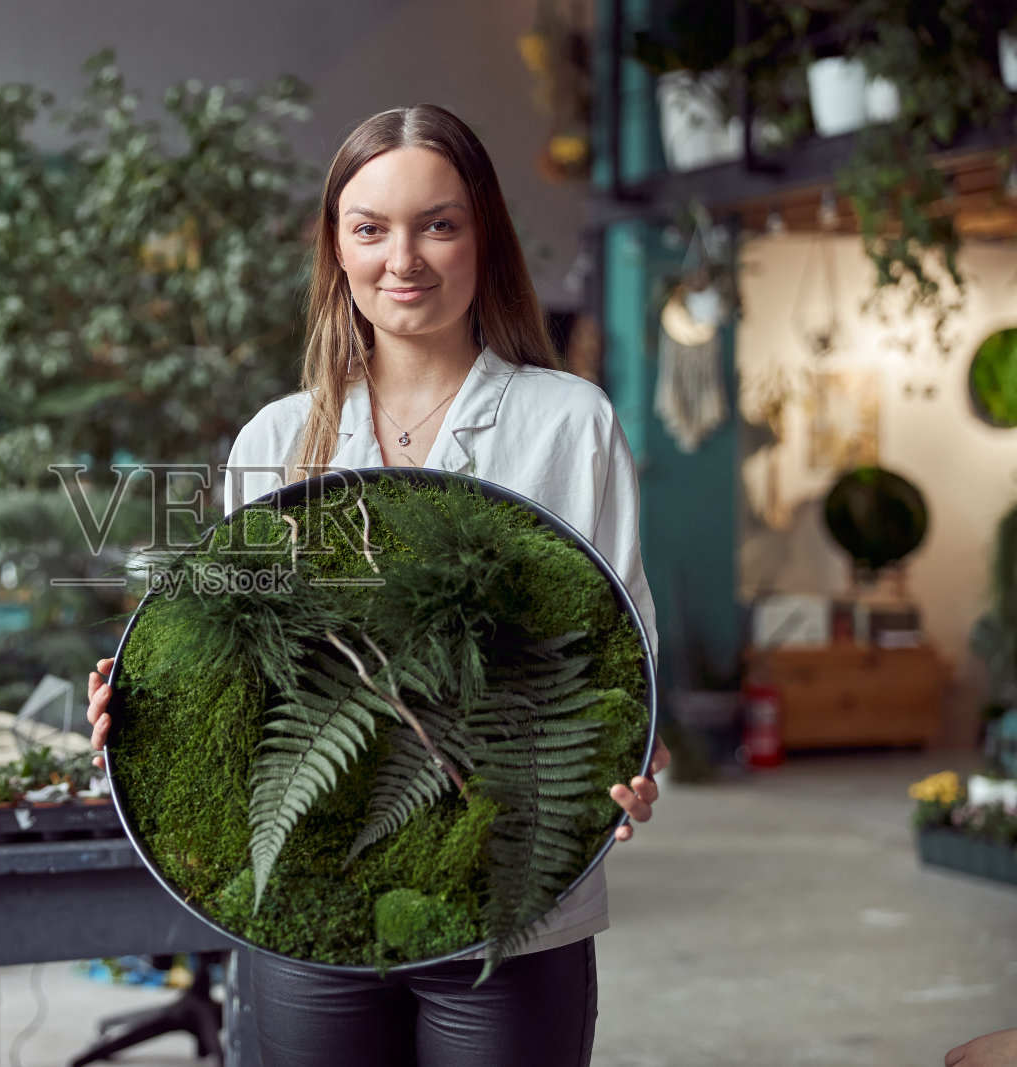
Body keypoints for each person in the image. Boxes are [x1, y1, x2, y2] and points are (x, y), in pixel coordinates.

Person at [86, 103, 668, 1067]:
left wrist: (631, 769)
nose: (405, 259)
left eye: (438, 223)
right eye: (371, 229)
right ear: (338, 250)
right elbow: (240, 674)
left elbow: (621, 657)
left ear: (484, 236)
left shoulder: (568, 424)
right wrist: (146, 701)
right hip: (306, 900)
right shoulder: (277, 441)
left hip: (512, 900)